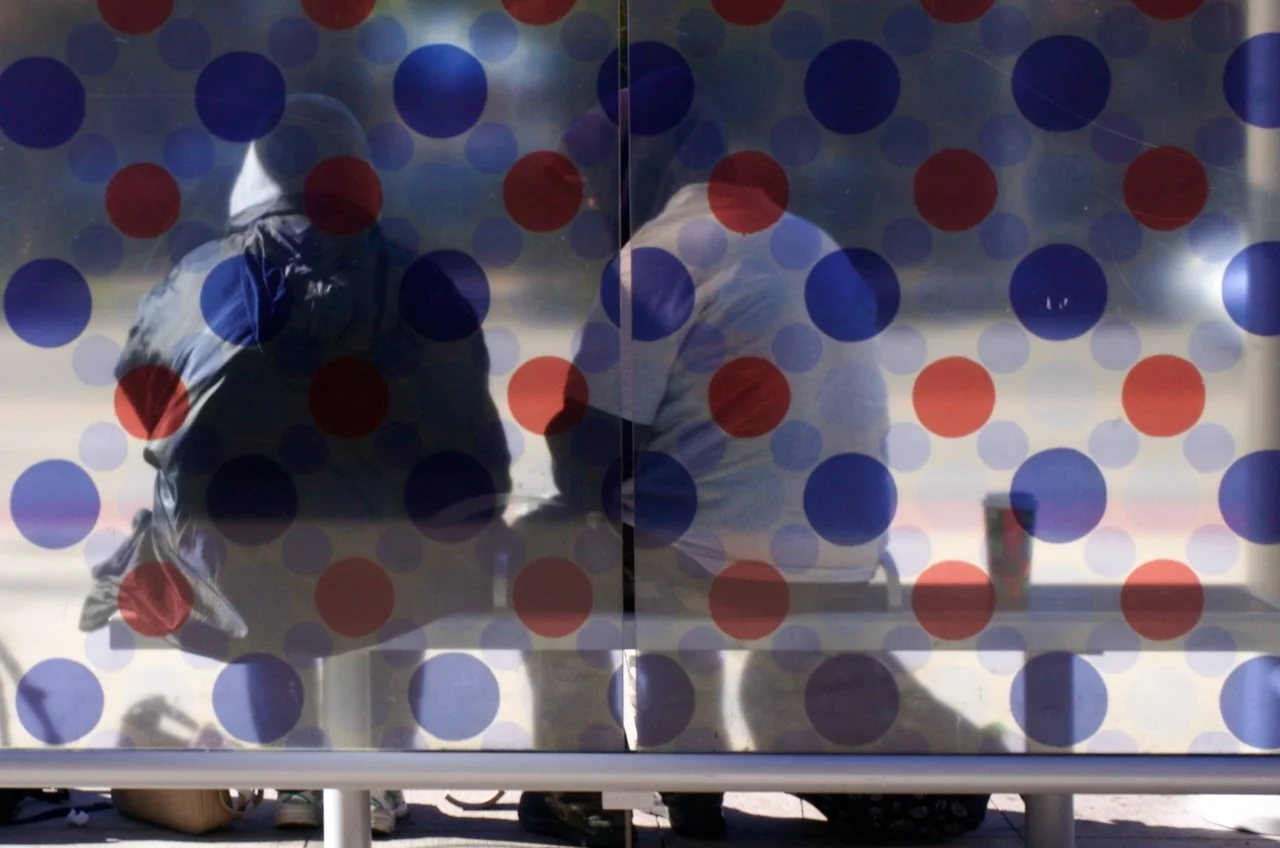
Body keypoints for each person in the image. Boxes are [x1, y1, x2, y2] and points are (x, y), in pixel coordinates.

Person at [513, 78, 992, 846]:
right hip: (840, 574)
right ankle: (883, 763)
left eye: (597, 191)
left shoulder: (659, 256)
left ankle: (584, 786)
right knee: (776, 691)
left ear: (635, 173)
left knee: (550, 542)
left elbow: (587, 458)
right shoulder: (808, 241)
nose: (592, 212)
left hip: (710, 575)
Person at [80, 94, 511, 836]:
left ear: (253, 176)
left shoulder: (204, 278)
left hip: (234, 571)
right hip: (401, 571)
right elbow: (474, 440)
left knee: (250, 561)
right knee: (389, 561)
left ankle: (300, 772)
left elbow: (143, 402)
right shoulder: (417, 279)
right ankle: (372, 779)